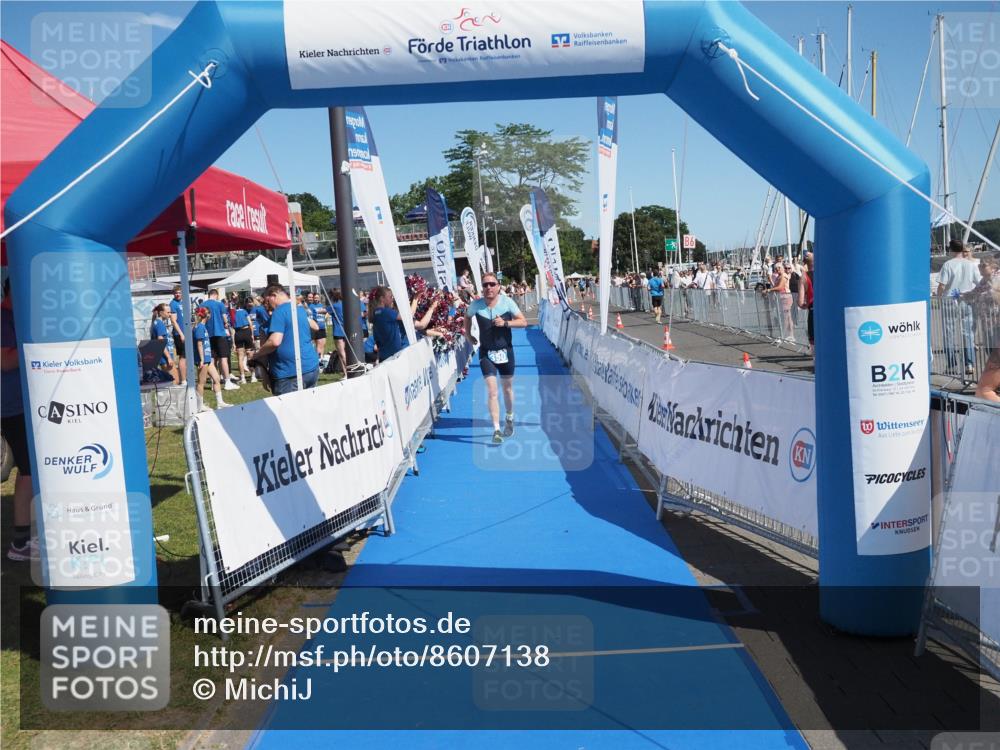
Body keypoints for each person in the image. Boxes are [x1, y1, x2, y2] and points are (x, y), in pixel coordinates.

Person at [464, 272, 528, 444]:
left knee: (507, 389)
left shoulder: (507, 302)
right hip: (486, 353)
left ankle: (509, 416)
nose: (488, 288)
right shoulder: (476, 305)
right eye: (485, 285)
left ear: (498, 286)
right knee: (492, 391)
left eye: (492, 284)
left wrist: (506, 323)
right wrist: (468, 335)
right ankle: (496, 429)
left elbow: (523, 322)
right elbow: (467, 317)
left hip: (506, 351)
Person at [2, 280, 36, 561]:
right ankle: (21, 542)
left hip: (27, 405)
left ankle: (29, 537)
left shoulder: (16, 317)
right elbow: (5, 361)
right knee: (29, 472)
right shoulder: (3, 319)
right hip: (13, 407)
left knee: (32, 471)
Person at [255, 284, 320, 395]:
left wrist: (258, 353)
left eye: (267, 301)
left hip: (289, 373)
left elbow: (275, 341)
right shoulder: (299, 309)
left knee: (287, 411)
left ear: (273, 296)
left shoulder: (279, 312)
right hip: (311, 368)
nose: (267, 305)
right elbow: (316, 327)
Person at [937, 239, 982, 377]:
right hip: (966, 299)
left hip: (950, 300)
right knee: (968, 333)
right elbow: (978, 282)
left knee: (948, 333)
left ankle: (951, 365)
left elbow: (942, 285)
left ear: (951, 250)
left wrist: (939, 297)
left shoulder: (948, 264)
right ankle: (970, 363)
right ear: (963, 249)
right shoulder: (971, 265)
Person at [962, 253, 1000, 401]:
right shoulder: (983, 281)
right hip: (988, 323)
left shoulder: (997, 279)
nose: (980, 267)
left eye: (983, 265)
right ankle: (994, 383)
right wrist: (961, 295)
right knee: (990, 351)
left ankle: (992, 385)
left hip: (998, 322)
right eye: (979, 265)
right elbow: (973, 294)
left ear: (993, 266)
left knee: (996, 355)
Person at [192, 306, 230, 410]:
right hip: (203, 360)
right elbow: (199, 344)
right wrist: (202, 359)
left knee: (216, 378)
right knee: (201, 382)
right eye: (209, 313)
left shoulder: (203, 326)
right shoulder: (199, 327)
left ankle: (220, 402)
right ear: (206, 315)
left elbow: (204, 343)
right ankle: (199, 406)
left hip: (208, 358)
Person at [203, 288, 238, 390]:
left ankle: (215, 382)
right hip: (220, 333)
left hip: (208, 334)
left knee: (212, 358)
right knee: (223, 358)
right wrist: (227, 325)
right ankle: (227, 381)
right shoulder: (220, 304)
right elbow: (225, 319)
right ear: (216, 295)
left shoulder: (202, 305)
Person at [371, 286, 407, 362]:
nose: (392, 299)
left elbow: (377, 340)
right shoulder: (386, 312)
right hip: (394, 356)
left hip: (384, 356)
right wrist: (416, 299)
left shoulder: (375, 313)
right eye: (390, 297)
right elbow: (407, 317)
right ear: (382, 299)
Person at [149, 304, 179, 383]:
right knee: (174, 381)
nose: (170, 314)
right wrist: (169, 357)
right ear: (161, 312)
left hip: (163, 357)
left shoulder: (156, 322)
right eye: (168, 312)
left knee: (169, 382)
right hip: (164, 358)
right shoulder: (159, 324)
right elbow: (160, 341)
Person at [233, 299, 256, 384]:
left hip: (238, 333)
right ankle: (253, 376)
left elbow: (232, 328)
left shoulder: (233, 313)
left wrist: (233, 342)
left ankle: (243, 378)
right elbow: (250, 323)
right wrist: (252, 335)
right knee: (250, 355)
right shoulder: (245, 312)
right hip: (246, 332)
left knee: (240, 357)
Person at [168, 286, 187, 385]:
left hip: (186, 333)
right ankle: (183, 380)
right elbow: (173, 321)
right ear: (173, 294)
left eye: (179, 292)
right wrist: (181, 334)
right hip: (179, 334)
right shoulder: (173, 304)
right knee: (183, 357)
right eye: (176, 293)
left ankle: (185, 378)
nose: (178, 294)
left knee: (187, 357)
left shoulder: (183, 302)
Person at [798, 252, 815, 357]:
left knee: (814, 340)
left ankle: (816, 363)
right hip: (828, 310)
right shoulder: (826, 273)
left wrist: (805, 305)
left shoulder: (803, 277)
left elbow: (800, 302)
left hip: (813, 309)